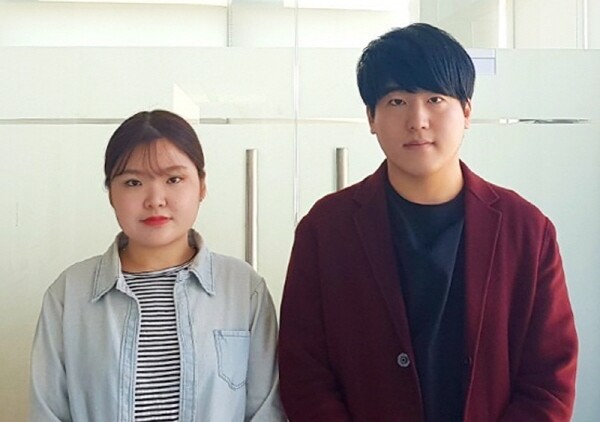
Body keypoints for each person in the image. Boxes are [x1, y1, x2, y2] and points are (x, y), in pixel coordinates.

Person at [278, 23, 578, 422]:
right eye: (397, 101)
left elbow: (550, 377)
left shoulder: (525, 230)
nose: (417, 120)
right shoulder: (326, 229)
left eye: (435, 99)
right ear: (371, 117)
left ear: (466, 111)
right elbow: (304, 371)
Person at [30, 110, 286, 422]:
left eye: (173, 179)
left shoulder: (243, 288)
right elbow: (47, 411)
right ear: (111, 193)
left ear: (202, 185)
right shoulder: (69, 293)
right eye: (133, 182)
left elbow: (266, 410)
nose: (155, 199)